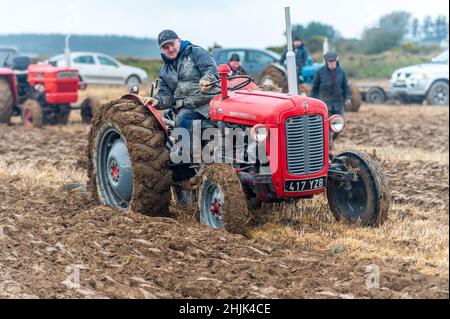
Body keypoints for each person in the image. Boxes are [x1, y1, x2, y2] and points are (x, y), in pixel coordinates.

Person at [144, 30, 218, 131]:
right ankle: (188, 146)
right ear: (161, 49)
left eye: (172, 44)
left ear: (179, 41)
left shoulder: (195, 52)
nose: (170, 49)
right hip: (189, 109)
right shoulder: (164, 72)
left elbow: (210, 68)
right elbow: (166, 95)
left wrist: (206, 79)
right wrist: (158, 100)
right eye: (166, 47)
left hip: (209, 102)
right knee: (183, 118)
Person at [311, 51, 352, 117]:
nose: (332, 63)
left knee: (338, 124)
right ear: (326, 62)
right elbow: (314, 88)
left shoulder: (341, 72)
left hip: (338, 103)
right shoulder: (320, 72)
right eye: (330, 61)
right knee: (325, 124)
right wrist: (313, 101)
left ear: (336, 61)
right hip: (325, 103)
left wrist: (348, 97)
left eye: (333, 61)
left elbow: (345, 86)